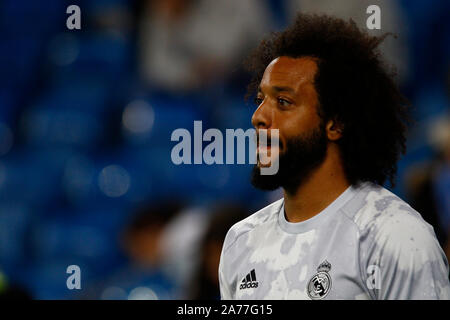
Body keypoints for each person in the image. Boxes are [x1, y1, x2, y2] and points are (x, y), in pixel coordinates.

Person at [218, 13, 450, 300]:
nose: (258, 116)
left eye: (283, 102)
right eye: (260, 100)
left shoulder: (396, 236)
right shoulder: (241, 241)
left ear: (336, 123)